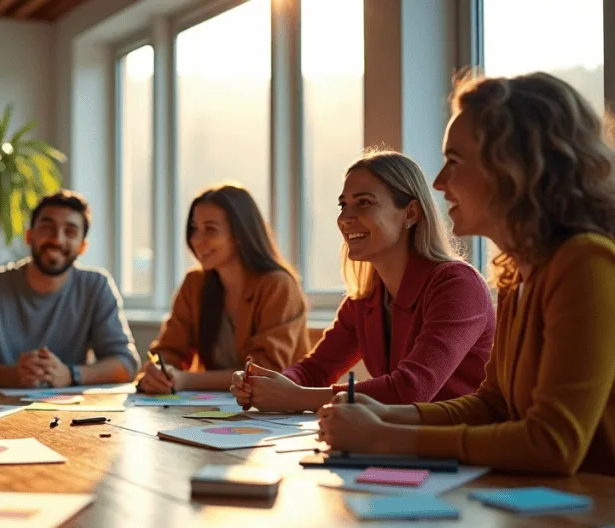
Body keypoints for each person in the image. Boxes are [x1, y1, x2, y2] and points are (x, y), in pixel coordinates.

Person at [316, 72, 615, 477]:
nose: (438, 183)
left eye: (453, 162)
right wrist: (388, 416)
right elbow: (492, 405)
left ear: (514, 167)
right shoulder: (516, 274)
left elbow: (552, 444)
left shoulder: (586, 264)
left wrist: (386, 436)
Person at [231, 150, 495, 411]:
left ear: (411, 213)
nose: (345, 218)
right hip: (401, 442)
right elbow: (315, 369)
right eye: (343, 204)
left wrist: (296, 397)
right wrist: (269, 386)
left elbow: (410, 389)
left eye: (364, 202)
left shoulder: (458, 285)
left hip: (458, 446)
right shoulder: (366, 297)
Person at [0, 190, 140, 387]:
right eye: (47, 227)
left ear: (82, 247)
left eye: (70, 231)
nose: (57, 239)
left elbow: (126, 363)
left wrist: (71, 374)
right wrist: (12, 376)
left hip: (71, 411)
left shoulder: (97, 286)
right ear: (29, 235)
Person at [137, 183, 310, 393]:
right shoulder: (195, 283)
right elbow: (168, 350)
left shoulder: (278, 285)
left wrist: (185, 380)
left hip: (275, 409)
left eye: (210, 229)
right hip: (213, 410)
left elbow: (262, 372)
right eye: (194, 228)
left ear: (240, 234)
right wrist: (158, 372)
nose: (197, 240)